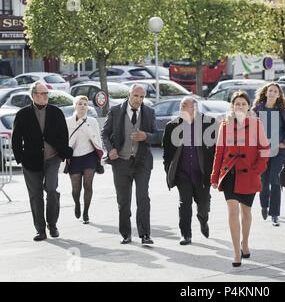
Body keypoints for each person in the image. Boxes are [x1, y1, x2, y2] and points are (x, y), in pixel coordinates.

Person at [211, 91, 269, 267]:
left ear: (248, 106)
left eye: (243, 104)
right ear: (232, 106)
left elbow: (265, 150)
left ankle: (245, 243)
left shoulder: (256, 124)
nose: (240, 107)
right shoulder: (225, 125)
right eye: (237, 104)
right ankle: (236, 252)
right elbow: (219, 152)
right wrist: (214, 176)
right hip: (229, 174)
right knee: (233, 211)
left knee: (246, 212)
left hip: (249, 175)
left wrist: (257, 170)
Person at [12, 82, 73, 241]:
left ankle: (52, 225)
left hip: (52, 159)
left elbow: (64, 135)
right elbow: (16, 138)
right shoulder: (23, 114)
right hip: (31, 161)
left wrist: (62, 154)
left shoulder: (56, 112)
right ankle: (40, 229)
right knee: (35, 195)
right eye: (43, 93)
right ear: (33, 95)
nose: (46, 96)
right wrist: (20, 158)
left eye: (47, 93)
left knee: (52, 190)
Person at [102, 84, 156, 245]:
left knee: (143, 198)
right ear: (129, 95)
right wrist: (110, 149)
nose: (139, 100)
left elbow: (156, 135)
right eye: (136, 96)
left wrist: (145, 136)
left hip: (142, 162)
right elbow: (104, 133)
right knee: (123, 200)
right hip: (121, 162)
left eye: (142, 97)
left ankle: (145, 234)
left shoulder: (149, 112)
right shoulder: (116, 111)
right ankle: (125, 233)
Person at [162, 97, 217, 245]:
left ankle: (203, 220)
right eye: (181, 106)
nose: (182, 108)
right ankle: (185, 234)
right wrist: (169, 171)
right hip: (183, 174)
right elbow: (167, 153)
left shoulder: (209, 123)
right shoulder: (172, 126)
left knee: (203, 204)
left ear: (194, 108)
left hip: (202, 173)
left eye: (185, 106)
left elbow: (216, 150)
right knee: (184, 203)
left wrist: (215, 172)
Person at [252, 83, 285, 226]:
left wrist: (284, 142)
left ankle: (275, 214)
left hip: (278, 151)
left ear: (279, 95)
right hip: (261, 151)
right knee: (263, 181)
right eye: (270, 90)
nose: (272, 93)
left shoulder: (284, 110)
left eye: (275, 91)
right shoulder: (257, 109)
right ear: (265, 93)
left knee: (275, 181)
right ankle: (264, 205)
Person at [66, 95, 103, 224]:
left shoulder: (92, 121)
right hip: (74, 158)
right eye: (80, 104)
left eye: (85, 104)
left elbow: (97, 140)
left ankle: (86, 212)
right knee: (76, 189)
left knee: (88, 185)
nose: (83, 106)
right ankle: (77, 203)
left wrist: (101, 158)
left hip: (89, 157)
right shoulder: (68, 121)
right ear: (75, 106)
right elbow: (66, 141)